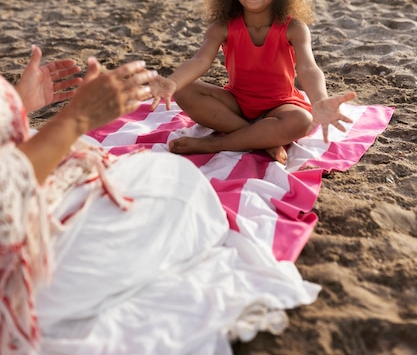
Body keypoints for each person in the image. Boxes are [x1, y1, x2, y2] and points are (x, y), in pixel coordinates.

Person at [0, 45, 320, 355]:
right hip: (28, 264)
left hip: (44, 199)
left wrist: (18, 107)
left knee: (162, 173)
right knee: (180, 184)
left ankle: (253, 136)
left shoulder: (288, 26)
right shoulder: (227, 24)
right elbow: (8, 194)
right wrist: (74, 121)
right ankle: (253, 137)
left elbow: (306, 66)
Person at [150, 0, 356, 164]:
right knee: (184, 89)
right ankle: (264, 139)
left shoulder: (294, 27)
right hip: (236, 103)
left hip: (281, 105)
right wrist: (172, 82)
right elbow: (200, 61)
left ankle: (216, 144)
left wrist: (320, 100)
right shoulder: (222, 26)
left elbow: (308, 68)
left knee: (302, 121)